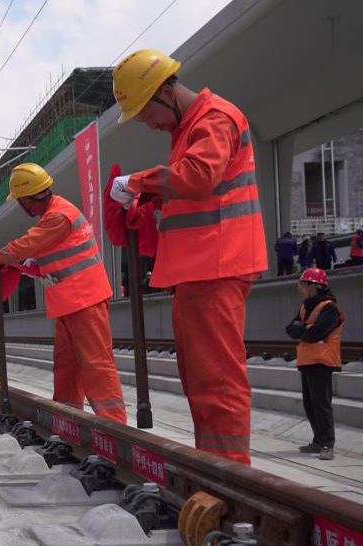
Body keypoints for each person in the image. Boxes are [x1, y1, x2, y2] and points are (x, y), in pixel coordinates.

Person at [108, 49, 267, 464]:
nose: (150, 125)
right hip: (200, 268)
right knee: (200, 379)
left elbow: (198, 179)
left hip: (218, 264)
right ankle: (213, 467)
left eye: (147, 114)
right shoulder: (189, 130)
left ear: (166, 90)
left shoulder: (216, 118)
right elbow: (195, 199)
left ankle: (230, 480)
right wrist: (148, 203)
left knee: (216, 380)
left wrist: (140, 181)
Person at [0, 163, 127, 424]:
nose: (19, 205)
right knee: (66, 368)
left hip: (84, 300)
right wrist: (38, 267)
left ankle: (115, 427)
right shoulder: (56, 212)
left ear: (29, 199)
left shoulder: (57, 217)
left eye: (19, 200)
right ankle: (67, 422)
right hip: (70, 302)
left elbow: (24, 245)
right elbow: (62, 256)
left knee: (96, 366)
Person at [286, 268, 344, 461]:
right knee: (310, 404)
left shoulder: (329, 308)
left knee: (321, 404)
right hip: (307, 361)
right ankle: (319, 441)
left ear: (314, 286)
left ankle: (328, 444)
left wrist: (303, 329)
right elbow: (290, 329)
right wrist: (305, 328)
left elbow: (314, 334)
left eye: (302, 284)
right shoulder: (305, 306)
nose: (300, 288)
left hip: (322, 361)